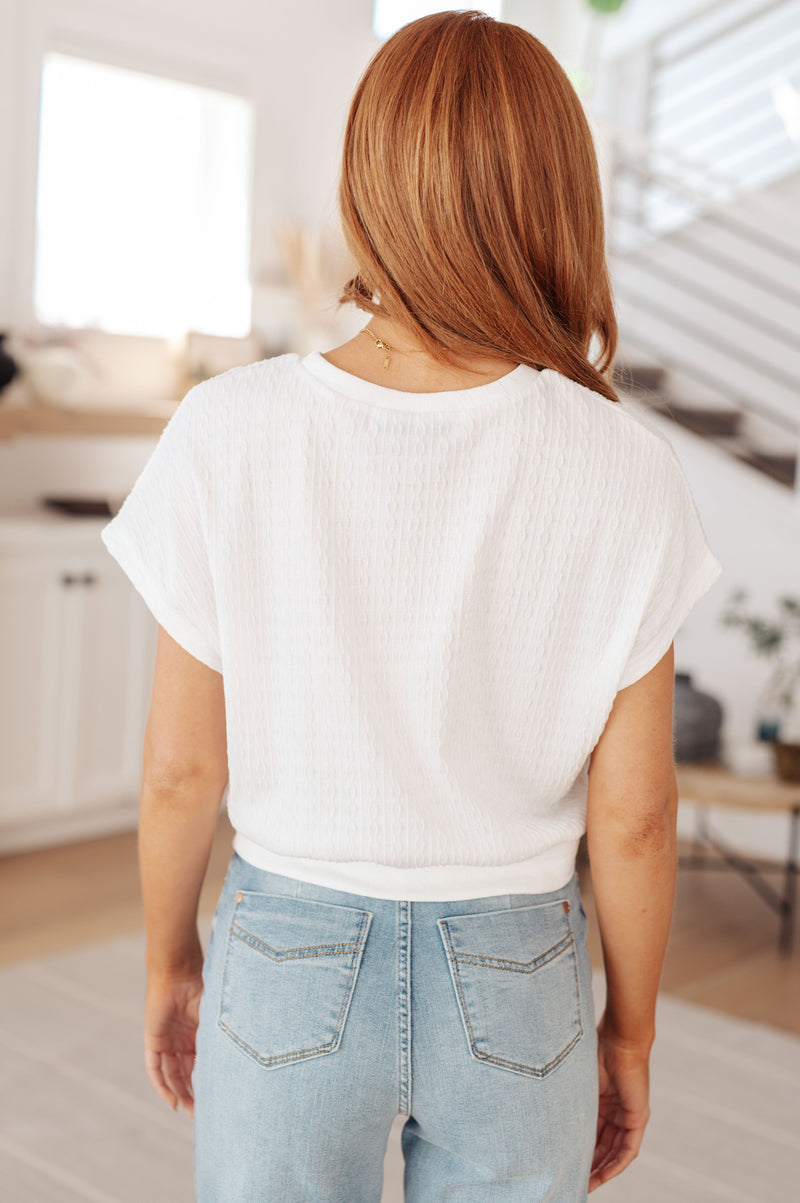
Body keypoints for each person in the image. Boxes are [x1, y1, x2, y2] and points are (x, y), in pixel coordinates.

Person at [99, 10, 723, 1202]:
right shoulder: (622, 465)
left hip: (283, 951)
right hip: (520, 970)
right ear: (557, 201)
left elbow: (182, 771)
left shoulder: (228, 430)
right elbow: (635, 818)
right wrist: (627, 1031)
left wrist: (169, 952)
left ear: (367, 184)